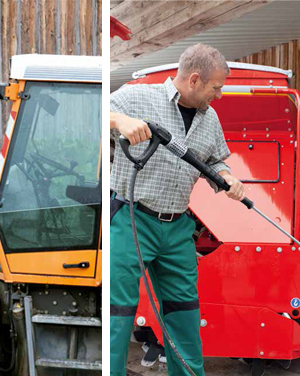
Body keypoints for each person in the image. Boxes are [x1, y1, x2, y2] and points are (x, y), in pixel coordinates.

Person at [109, 44, 246, 376]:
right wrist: (119, 120)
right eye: (217, 87)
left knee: (184, 314)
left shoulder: (209, 118)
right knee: (119, 314)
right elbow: (92, 112)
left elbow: (214, 161)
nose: (220, 94)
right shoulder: (136, 97)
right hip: (131, 219)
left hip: (177, 227)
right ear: (195, 80)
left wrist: (227, 177)